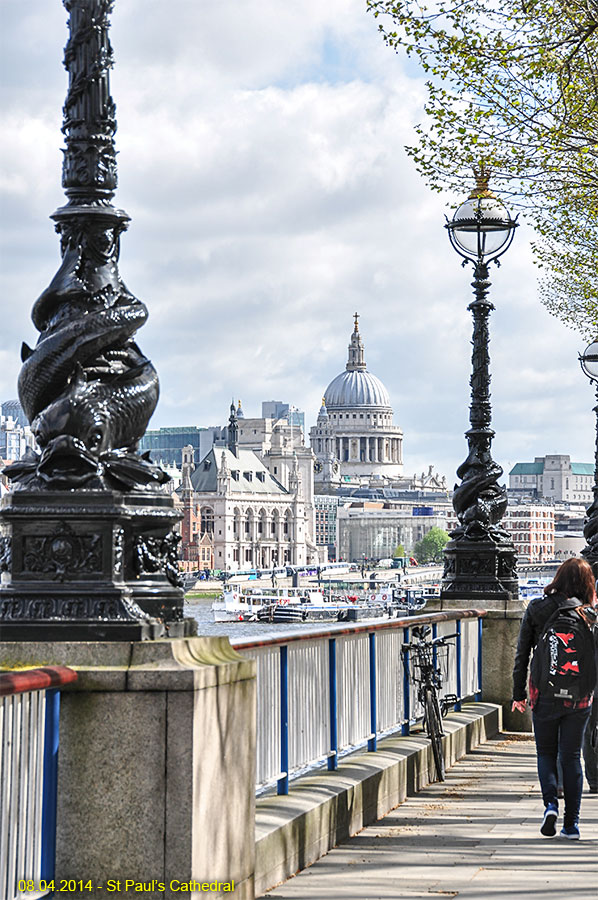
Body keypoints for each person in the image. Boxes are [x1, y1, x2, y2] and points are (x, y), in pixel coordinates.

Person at [512, 557, 597, 840]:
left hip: (544, 693)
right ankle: (571, 825)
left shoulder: (537, 607)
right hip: (579, 699)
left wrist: (518, 695)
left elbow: (522, 655)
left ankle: (550, 804)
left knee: (545, 753)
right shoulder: (590, 615)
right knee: (572, 756)